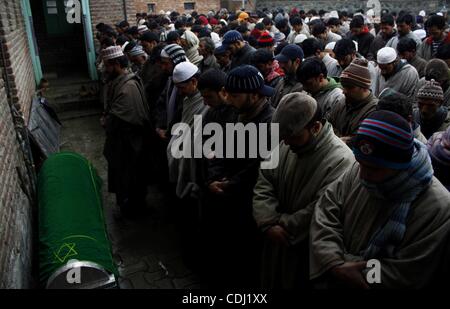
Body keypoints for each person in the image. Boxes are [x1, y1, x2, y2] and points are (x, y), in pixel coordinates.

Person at [310, 110, 450, 289]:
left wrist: (358, 273)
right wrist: (331, 259)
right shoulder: (361, 167)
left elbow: (409, 272)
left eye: (375, 169)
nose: (362, 174)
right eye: (360, 164)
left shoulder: (438, 208)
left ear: (400, 166)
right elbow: (326, 209)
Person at [253, 92, 354, 288]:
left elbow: (321, 208)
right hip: (275, 240)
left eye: (293, 137)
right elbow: (265, 178)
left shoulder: (341, 160)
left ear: (315, 127)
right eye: (284, 138)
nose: (287, 143)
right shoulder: (287, 142)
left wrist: (282, 224)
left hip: (305, 250)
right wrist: (266, 218)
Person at [205, 65, 275, 288]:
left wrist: (229, 184)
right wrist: (214, 177)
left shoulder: (269, 122)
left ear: (254, 95)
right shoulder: (237, 114)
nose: (229, 100)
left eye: (234, 96)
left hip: (251, 202)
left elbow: (258, 167)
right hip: (230, 195)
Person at [101, 46, 154, 218]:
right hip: (123, 143)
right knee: (124, 178)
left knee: (131, 178)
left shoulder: (128, 87)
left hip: (130, 144)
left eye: (107, 66)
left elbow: (120, 118)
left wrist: (107, 121)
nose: (105, 70)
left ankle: (136, 208)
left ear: (116, 64)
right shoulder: (120, 82)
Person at [328, 58, 378, 143]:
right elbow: (328, 127)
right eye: (343, 86)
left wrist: (346, 139)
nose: (344, 91)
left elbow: (359, 141)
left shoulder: (374, 110)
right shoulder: (341, 102)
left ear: (364, 88)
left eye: (349, 87)